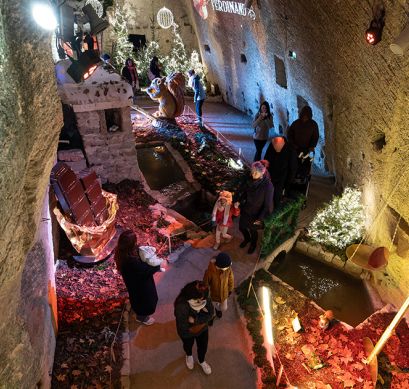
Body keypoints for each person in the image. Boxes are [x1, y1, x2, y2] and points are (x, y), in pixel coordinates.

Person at [114, 230, 160, 325]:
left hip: (133, 283)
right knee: (145, 301)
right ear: (131, 244)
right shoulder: (131, 261)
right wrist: (156, 265)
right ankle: (142, 317)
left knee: (137, 298)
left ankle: (140, 312)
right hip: (140, 285)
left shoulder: (122, 251)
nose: (136, 242)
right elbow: (145, 271)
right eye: (135, 240)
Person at [174, 281, 214, 375]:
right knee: (188, 345)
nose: (202, 301)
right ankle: (189, 355)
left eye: (203, 299)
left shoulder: (203, 295)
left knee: (203, 346)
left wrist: (195, 320)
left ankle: (201, 360)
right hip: (187, 333)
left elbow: (211, 313)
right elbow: (183, 326)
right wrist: (203, 317)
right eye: (199, 300)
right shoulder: (181, 305)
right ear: (191, 296)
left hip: (202, 328)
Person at [238, 160, 274, 254]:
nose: (253, 174)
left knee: (253, 230)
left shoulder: (268, 186)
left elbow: (268, 204)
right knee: (241, 227)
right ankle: (247, 239)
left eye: (256, 172)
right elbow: (245, 193)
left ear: (262, 173)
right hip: (247, 209)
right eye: (252, 171)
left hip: (257, 213)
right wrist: (239, 201)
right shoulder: (250, 180)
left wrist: (260, 218)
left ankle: (253, 244)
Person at [264, 136, 298, 208]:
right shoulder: (272, 145)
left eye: (277, 147)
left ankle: (274, 214)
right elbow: (266, 158)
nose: (275, 149)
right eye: (274, 146)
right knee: (266, 194)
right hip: (270, 175)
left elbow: (293, 168)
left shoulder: (290, 149)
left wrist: (288, 183)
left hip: (282, 178)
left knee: (276, 196)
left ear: (283, 143)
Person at [203, 252, 234, 319]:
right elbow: (205, 284)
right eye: (226, 267)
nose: (228, 267)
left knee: (224, 308)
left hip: (224, 294)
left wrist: (230, 289)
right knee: (212, 307)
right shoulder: (209, 272)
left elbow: (231, 279)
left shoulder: (228, 269)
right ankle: (212, 316)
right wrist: (206, 295)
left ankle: (218, 310)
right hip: (214, 296)